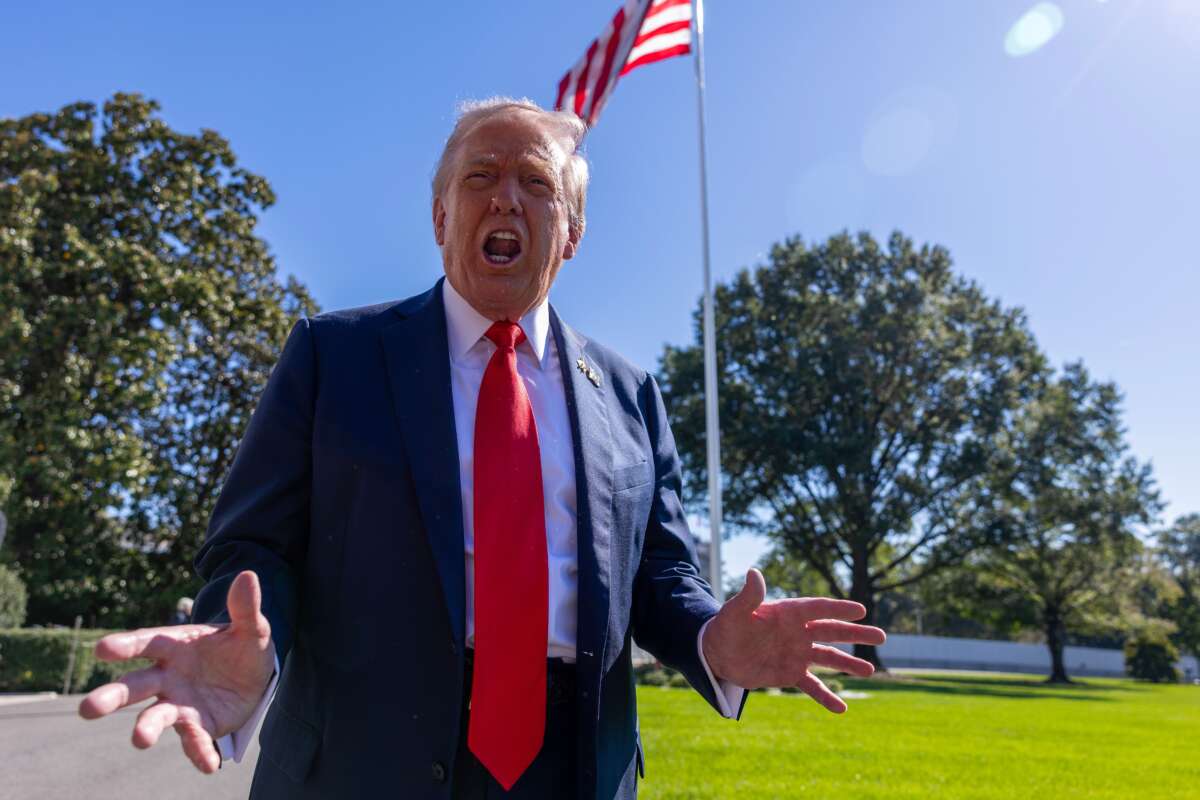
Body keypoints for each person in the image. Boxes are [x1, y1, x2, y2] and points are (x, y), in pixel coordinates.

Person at [78, 97, 886, 799]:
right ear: (439, 217)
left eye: (536, 184)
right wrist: (237, 638)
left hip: (574, 766)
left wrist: (716, 638)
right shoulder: (333, 356)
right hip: (360, 763)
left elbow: (662, 574)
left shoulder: (632, 393)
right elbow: (254, 546)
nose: (507, 197)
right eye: (480, 177)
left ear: (569, 235)